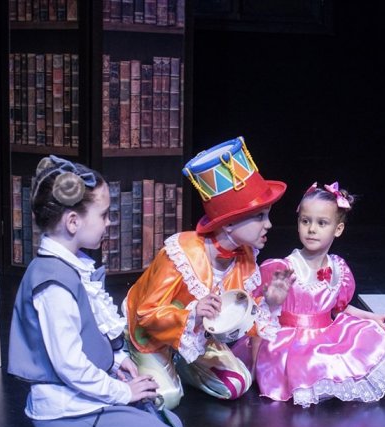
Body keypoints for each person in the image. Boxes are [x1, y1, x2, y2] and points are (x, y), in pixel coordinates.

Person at [0, 156, 180, 427]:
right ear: (73, 222)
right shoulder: (53, 284)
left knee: (169, 421)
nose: (109, 223)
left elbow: (89, 332)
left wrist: (117, 362)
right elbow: (69, 365)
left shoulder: (72, 266)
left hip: (83, 397)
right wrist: (122, 392)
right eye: (104, 214)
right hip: (64, 410)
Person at [124, 137, 293, 410]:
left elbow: (239, 320)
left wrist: (270, 304)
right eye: (260, 216)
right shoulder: (180, 254)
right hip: (153, 334)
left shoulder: (246, 257)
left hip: (200, 337)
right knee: (165, 398)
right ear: (229, 224)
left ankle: (183, 363)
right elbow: (146, 313)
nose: (269, 225)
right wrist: (193, 313)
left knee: (238, 384)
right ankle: (135, 360)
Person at [254, 182, 385, 407]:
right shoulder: (285, 268)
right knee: (308, 360)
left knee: (371, 337)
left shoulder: (338, 268)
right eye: (305, 221)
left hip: (325, 334)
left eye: (322, 223)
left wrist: (372, 317)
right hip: (291, 341)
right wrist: (272, 301)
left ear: (337, 229)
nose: (312, 229)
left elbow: (339, 308)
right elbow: (261, 311)